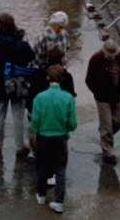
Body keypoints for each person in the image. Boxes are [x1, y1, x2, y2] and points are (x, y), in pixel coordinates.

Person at [0, 13, 36, 158]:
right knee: (18, 116)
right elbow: (31, 56)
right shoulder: (21, 44)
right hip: (18, 83)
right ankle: (20, 147)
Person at [30, 64, 77, 214]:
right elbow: (73, 123)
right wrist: (65, 129)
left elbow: (34, 121)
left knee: (42, 166)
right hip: (60, 138)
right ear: (62, 79)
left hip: (43, 137)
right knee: (60, 169)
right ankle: (58, 201)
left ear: (47, 78)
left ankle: (41, 195)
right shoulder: (68, 98)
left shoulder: (39, 97)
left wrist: (36, 132)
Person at [85, 39, 120, 164]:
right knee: (106, 125)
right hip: (102, 98)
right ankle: (108, 152)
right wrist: (97, 91)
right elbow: (89, 79)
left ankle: (105, 135)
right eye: (109, 54)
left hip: (118, 95)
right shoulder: (96, 59)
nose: (111, 57)